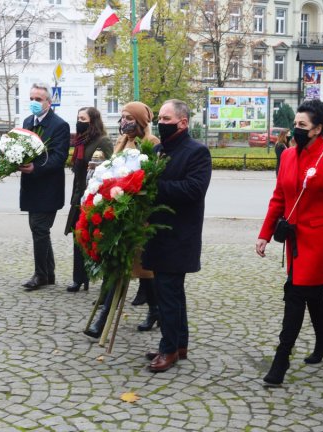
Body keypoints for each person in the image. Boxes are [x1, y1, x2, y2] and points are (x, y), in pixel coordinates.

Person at [256, 99, 323, 387]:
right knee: (311, 295)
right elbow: (279, 197)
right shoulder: (287, 156)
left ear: (318, 128)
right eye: (295, 124)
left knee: (296, 295)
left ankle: (281, 359)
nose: (296, 129)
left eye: (302, 125)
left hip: (321, 242)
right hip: (294, 240)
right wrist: (265, 233)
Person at [142, 99, 212, 372]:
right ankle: (179, 344)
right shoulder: (158, 149)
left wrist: (154, 186)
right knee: (171, 293)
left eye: (167, 119)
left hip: (179, 235)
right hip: (157, 233)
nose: (161, 123)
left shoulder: (197, 152)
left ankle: (168, 350)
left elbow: (193, 190)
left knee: (168, 295)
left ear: (183, 122)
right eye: (159, 118)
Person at [84, 101, 160, 338]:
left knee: (142, 268)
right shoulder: (121, 142)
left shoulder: (152, 144)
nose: (123, 121)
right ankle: (105, 316)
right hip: (116, 212)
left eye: (129, 117)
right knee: (117, 267)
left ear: (140, 121)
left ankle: (153, 310)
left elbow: (151, 180)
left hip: (138, 216)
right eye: (122, 117)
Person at [19, 83, 71, 291]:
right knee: (38, 229)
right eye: (32, 98)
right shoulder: (27, 122)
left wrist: (35, 168)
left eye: (39, 99)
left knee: (40, 229)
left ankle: (40, 275)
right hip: (31, 187)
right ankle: (48, 273)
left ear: (49, 102)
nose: (34, 102)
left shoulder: (59, 125)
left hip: (48, 188)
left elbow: (58, 158)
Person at [64, 107, 113, 292]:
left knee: (96, 239)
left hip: (94, 198)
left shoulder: (103, 141)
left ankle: (103, 282)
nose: (79, 121)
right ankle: (79, 278)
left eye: (83, 118)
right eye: (78, 118)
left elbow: (109, 168)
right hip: (79, 197)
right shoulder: (80, 141)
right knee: (78, 237)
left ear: (92, 121)